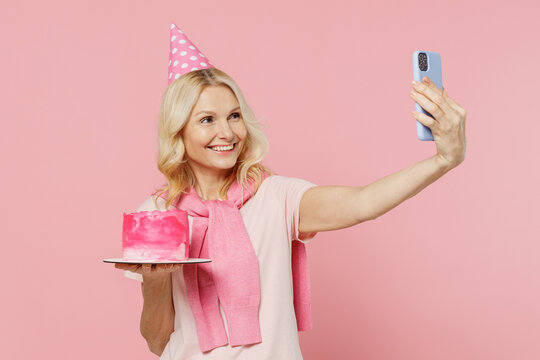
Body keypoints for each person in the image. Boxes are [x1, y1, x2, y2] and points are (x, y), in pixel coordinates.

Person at [115, 25, 467, 360]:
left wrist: (443, 161)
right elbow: (158, 340)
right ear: (178, 132)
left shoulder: (278, 198)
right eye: (207, 120)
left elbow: (363, 203)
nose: (227, 132)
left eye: (234, 116)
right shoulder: (157, 216)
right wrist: (154, 280)